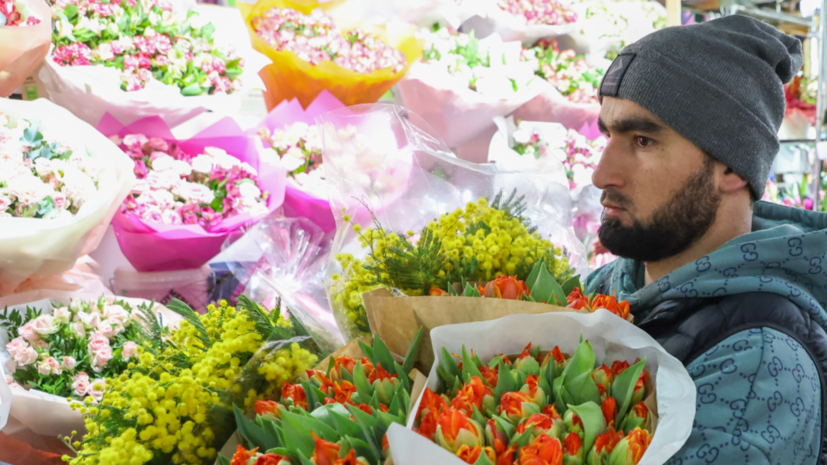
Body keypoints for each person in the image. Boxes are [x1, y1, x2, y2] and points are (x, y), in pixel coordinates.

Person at [584, 15, 827, 464]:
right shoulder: (606, 286)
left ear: (732, 167)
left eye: (642, 141)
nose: (601, 175)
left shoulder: (761, 368)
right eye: (608, 134)